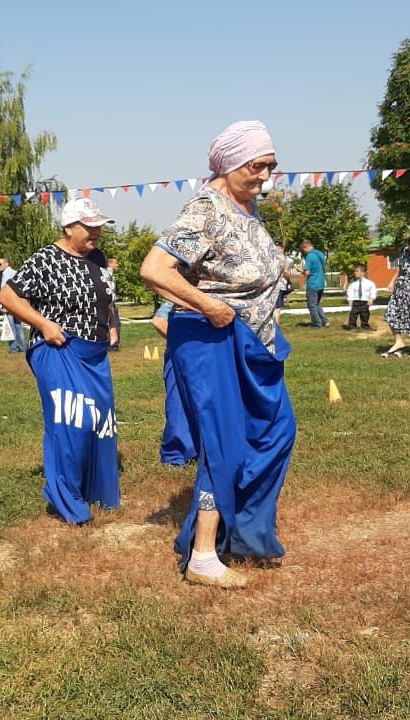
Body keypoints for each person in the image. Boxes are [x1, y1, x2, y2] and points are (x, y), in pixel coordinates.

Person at [140, 119, 294, 589]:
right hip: (212, 341)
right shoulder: (206, 208)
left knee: (275, 432)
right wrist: (210, 305)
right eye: (256, 166)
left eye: (270, 166)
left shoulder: (246, 209)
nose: (265, 175)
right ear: (230, 165)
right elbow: (154, 269)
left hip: (255, 344)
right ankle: (204, 556)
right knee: (224, 443)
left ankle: (241, 533)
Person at [0, 197, 120, 525]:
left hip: (94, 354)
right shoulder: (45, 258)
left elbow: (102, 297)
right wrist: (42, 323)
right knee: (71, 422)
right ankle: (66, 499)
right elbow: (7, 296)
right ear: (68, 227)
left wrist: (108, 327)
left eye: (98, 227)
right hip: (57, 350)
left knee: (99, 423)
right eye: (88, 227)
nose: (95, 233)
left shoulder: (97, 257)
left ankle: (96, 490)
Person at [151, 301, 197, 466]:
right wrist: (181, 345)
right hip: (181, 354)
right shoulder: (186, 287)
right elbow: (159, 321)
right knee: (178, 404)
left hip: (206, 356)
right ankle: (175, 455)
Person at [0, 257, 26, 353]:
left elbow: (5, 290)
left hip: (9, 303)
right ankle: (22, 347)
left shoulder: (6, 274)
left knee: (10, 326)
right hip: (17, 302)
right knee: (18, 326)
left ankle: (13, 348)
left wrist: (4, 305)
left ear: (6, 263)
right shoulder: (15, 272)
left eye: (0, 264)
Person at [298, 240, 328, 327]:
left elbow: (307, 272)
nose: (303, 252)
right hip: (321, 282)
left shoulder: (310, 256)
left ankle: (317, 324)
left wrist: (299, 270)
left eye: (303, 250)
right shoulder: (320, 254)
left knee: (311, 305)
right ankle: (325, 321)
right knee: (317, 303)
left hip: (313, 283)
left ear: (305, 247)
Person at [342, 264, 376, 330]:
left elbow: (373, 291)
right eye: (354, 271)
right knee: (353, 314)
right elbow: (350, 292)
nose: (355, 273)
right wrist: (350, 300)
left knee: (365, 314)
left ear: (363, 273)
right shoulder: (353, 284)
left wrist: (371, 298)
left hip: (364, 302)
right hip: (356, 302)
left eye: (357, 271)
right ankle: (352, 326)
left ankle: (365, 326)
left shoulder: (370, 283)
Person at [105, 257, 122, 350]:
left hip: (111, 303)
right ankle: (113, 344)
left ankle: (112, 344)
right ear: (110, 264)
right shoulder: (108, 273)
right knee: (114, 323)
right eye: (116, 263)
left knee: (114, 323)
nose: (118, 265)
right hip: (110, 304)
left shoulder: (111, 274)